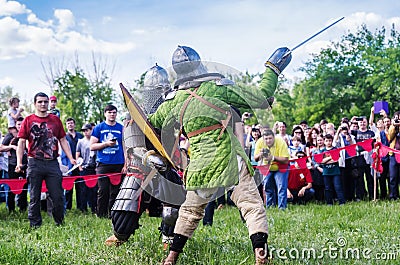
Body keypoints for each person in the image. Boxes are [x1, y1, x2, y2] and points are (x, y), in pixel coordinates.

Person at [152, 45, 291, 265]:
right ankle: (260, 257)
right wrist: (272, 69)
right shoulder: (215, 88)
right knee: (251, 205)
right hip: (228, 159)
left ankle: (170, 258)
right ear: (199, 66)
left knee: (189, 212)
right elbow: (261, 95)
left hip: (199, 164)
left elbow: (152, 123)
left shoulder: (174, 101)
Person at [105, 65, 185, 250]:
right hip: (141, 167)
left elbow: (175, 142)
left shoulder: (171, 115)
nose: (163, 93)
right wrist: (150, 157)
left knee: (173, 206)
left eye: (166, 89)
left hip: (166, 167)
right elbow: (134, 147)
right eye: (160, 90)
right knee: (123, 218)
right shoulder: (135, 115)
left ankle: (168, 238)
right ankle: (120, 236)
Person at [15, 92, 76, 228]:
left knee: (58, 196)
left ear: (48, 103)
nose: (43, 104)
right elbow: (21, 142)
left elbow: (63, 140)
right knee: (34, 196)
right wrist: (19, 162)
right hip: (34, 162)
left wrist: (71, 158)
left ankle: (59, 222)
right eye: (40, 102)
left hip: (53, 163)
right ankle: (35, 225)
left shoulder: (55, 120)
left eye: (45, 102)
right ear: (35, 104)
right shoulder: (28, 120)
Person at [90, 104, 125, 218]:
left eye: (114, 112)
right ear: (105, 114)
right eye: (109, 112)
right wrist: (106, 144)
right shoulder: (99, 128)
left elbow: (126, 147)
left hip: (118, 163)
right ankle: (101, 214)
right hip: (103, 163)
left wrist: (126, 163)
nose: (112, 114)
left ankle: (113, 213)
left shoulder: (121, 128)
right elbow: (92, 146)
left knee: (116, 191)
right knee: (103, 190)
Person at [255, 129, 290, 210]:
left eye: (270, 138)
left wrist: (273, 158)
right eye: (266, 139)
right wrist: (261, 154)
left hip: (281, 167)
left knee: (281, 187)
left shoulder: (281, 142)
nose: (268, 141)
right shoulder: (259, 142)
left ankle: (282, 208)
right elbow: (255, 158)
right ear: (263, 139)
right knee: (267, 187)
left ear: (274, 137)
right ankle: (270, 207)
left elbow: (285, 160)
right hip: (267, 167)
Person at [0, 118, 28, 212]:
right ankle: (11, 209)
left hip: (25, 165)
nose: (20, 126)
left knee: (24, 187)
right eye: (18, 124)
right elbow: (1, 147)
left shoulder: (27, 134)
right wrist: (12, 147)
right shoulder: (10, 135)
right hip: (13, 165)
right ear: (16, 125)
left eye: (21, 124)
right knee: (12, 188)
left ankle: (23, 208)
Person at [63, 117, 83, 210]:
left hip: (79, 164)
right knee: (68, 188)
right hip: (69, 165)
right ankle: (68, 207)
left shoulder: (80, 136)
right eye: (68, 123)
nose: (70, 125)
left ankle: (81, 207)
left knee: (80, 187)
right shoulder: (64, 137)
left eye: (71, 123)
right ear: (66, 126)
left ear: (74, 125)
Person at [76, 123, 97, 213]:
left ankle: (94, 208)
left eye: (87, 130)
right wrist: (79, 166)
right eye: (84, 131)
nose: (85, 132)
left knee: (94, 190)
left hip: (93, 168)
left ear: (91, 130)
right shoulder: (80, 141)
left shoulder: (95, 141)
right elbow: (77, 154)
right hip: (84, 168)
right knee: (83, 189)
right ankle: (83, 208)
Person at [320, 134, 345, 205]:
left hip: (335, 172)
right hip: (326, 172)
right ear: (324, 142)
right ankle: (329, 202)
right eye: (326, 141)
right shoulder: (322, 151)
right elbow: (321, 161)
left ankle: (341, 202)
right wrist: (330, 157)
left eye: (330, 141)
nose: (328, 142)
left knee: (338, 187)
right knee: (327, 188)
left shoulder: (335, 149)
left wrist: (326, 160)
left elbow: (336, 160)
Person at [387, 111, 400, 200]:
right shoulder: (392, 127)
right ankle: (393, 195)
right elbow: (389, 137)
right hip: (393, 153)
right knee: (393, 176)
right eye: (396, 118)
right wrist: (394, 126)